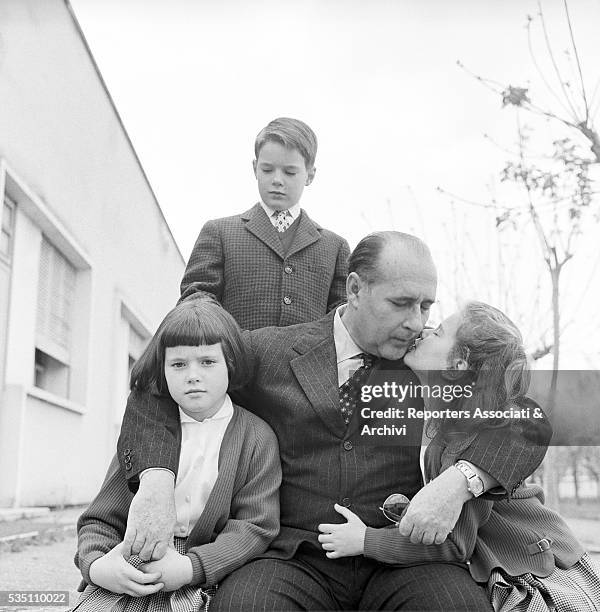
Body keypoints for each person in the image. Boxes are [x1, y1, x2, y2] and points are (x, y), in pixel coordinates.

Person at [118, 232, 552, 610]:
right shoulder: (268, 352)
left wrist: (460, 481)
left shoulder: (428, 361)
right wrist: (156, 482)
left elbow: (524, 416)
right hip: (292, 556)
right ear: (355, 289)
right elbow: (154, 386)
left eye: (425, 306)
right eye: (401, 303)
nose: (417, 322)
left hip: (403, 557)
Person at [319, 301, 600, 611]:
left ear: (456, 367)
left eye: (438, 333)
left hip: (539, 571)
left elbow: (453, 542)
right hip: (517, 564)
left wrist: (365, 540)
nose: (424, 331)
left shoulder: (472, 437)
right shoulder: (446, 428)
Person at [70, 299, 281, 612]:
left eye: (207, 361)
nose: (192, 375)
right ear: (163, 370)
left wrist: (190, 568)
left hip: (198, 567)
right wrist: (99, 566)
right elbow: (100, 518)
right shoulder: (146, 433)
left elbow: (255, 526)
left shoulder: (256, 436)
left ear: (230, 365)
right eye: (178, 364)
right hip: (130, 564)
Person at [179, 116, 350, 330]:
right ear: (254, 168)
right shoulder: (219, 233)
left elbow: (343, 321)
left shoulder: (335, 247)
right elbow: (195, 305)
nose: (277, 180)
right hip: (238, 361)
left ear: (310, 175)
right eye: (267, 170)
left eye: (290, 172)